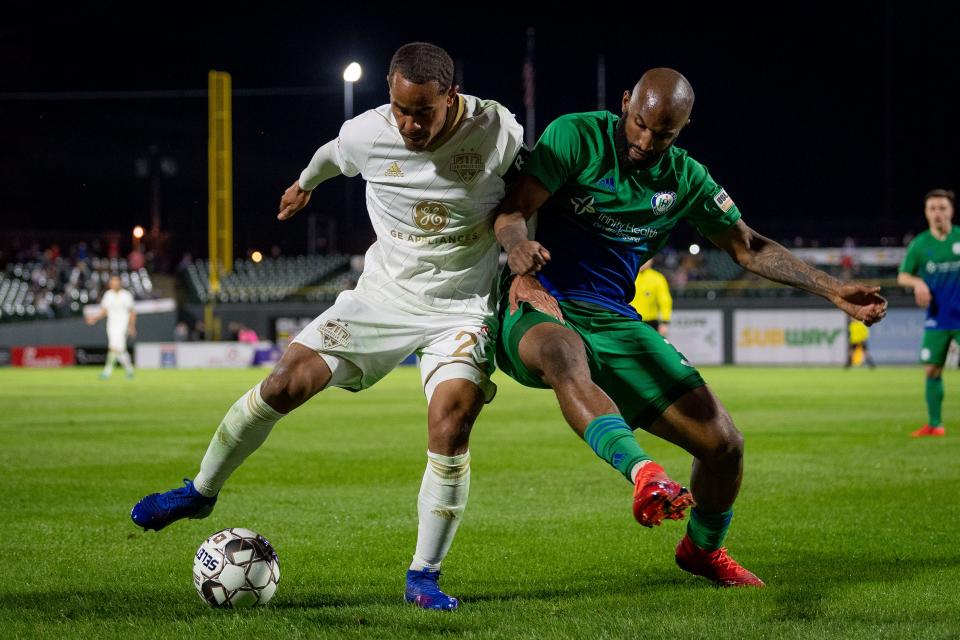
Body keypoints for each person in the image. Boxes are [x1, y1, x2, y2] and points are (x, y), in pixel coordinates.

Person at [130, 42, 525, 611]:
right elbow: (330, 156)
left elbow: (535, 183)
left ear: (451, 97)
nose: (409, 124)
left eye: (423, 112)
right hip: (381, 297)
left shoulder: (496, 129)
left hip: (460, 307)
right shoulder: (368, 132)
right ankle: (200, 492)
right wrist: (304, 186)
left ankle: (423, 575)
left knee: (452, 420)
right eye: (399, 109)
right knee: (282, 383)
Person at [493, 68, 887, 588]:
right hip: (541, 300)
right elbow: (513, 209)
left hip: (614, 315)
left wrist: (831, 288)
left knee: (725, 446)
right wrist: (517, 250)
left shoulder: (685, 179)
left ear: (683, 127)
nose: (645, 141)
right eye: (639, 124)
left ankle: (702, 550)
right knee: (565, 355)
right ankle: (645, 474)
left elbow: (749, 246)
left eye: (663, 133)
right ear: (626, 101)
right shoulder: (577, 135)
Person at [897, 188, 958, 437]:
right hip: (938, 318)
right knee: (932, 370)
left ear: (951, 211)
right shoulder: (920, 244)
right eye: (932, 208)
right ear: (926, 213)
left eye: (942, 208)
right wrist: (918, 283)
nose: (937, 213)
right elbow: (903, 276)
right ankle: (935, 424)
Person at [85, 274, 136, 379]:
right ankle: (130, 370)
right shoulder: (108, 295)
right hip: (111, 325)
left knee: (113, 347)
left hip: (123, 324)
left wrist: (131, 326)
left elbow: (132, 312)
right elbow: (104, 311)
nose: (114, 284)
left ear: (120, 282)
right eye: (112, 282)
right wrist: (94, 318)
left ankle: (107, 372)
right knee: (120, 349)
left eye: (116, 281)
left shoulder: (126, 295)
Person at [630, 258, 673, 336]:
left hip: (650, 322)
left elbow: (665, 300)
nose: (643, 261)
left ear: (651, 260)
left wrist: (665, 321)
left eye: (647, 259)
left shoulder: (657, 278)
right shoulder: (629, 276)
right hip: (629, 320)